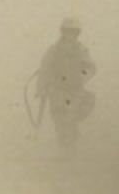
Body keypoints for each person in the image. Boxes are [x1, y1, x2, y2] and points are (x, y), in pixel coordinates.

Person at [35, 17, 98, 154]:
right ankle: (64, 149)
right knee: (59, 122)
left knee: (70, 120)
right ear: (63, 32)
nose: (70, 35)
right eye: (67, 31)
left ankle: (69, 150)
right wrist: (41, 89)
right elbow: (44, 69)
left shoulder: (81, 49)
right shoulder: (54, 50)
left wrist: (81, 76)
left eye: (73, 32)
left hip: (75, 91)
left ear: (77, 33)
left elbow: (91, 67)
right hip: (57, 91)